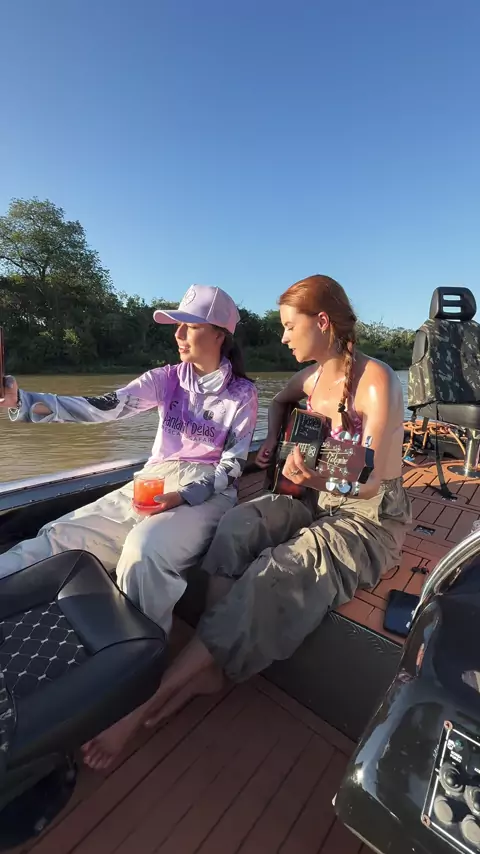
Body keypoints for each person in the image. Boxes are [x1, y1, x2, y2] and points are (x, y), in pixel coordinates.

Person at [82, 273, 412, 770]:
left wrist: (315, 475)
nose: (282, 336)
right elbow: (280, 402)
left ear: (322, 322)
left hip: (368, 516)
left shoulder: (378, 381)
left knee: (275, 571)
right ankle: (209, 661)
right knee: (236, 526)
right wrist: (275, 443)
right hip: (313, 496)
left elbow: (368, 484)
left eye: (289, 326)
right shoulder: (311, 378)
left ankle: (153, 699)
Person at [0, 284, 258, 635]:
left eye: (192, 326)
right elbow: (103, 407)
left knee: (144, 550)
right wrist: (22, 401)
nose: (179, 335)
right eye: (177, 326)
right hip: (154, 477)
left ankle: (143, 650)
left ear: (219, 335)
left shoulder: (242, 394)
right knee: (60, 535)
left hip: (208, 490)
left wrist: (183, 495)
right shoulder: (165, 379)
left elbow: (232, 466)